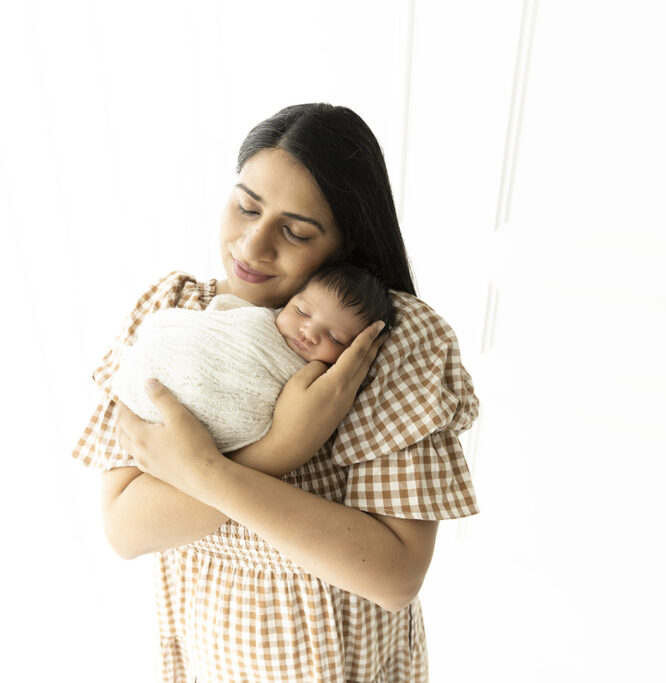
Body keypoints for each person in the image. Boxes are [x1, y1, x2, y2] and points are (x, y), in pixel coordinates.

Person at [73, 103, 479, 682]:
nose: (252, 246)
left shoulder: (383, 344)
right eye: (246, 206)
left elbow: (393, 576)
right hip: (212, 652)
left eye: (295, 230)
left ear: (347, 244)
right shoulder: (175, 311)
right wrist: (279, 449)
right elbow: (124, 528)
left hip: (344, 662)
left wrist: (205, 472)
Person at [110, 264, 394, 456]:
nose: (309, 332)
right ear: (288, 301)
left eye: (335, 337)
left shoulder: (318, 387)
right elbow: (219, 314)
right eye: (303, 312)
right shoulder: (256, 316)